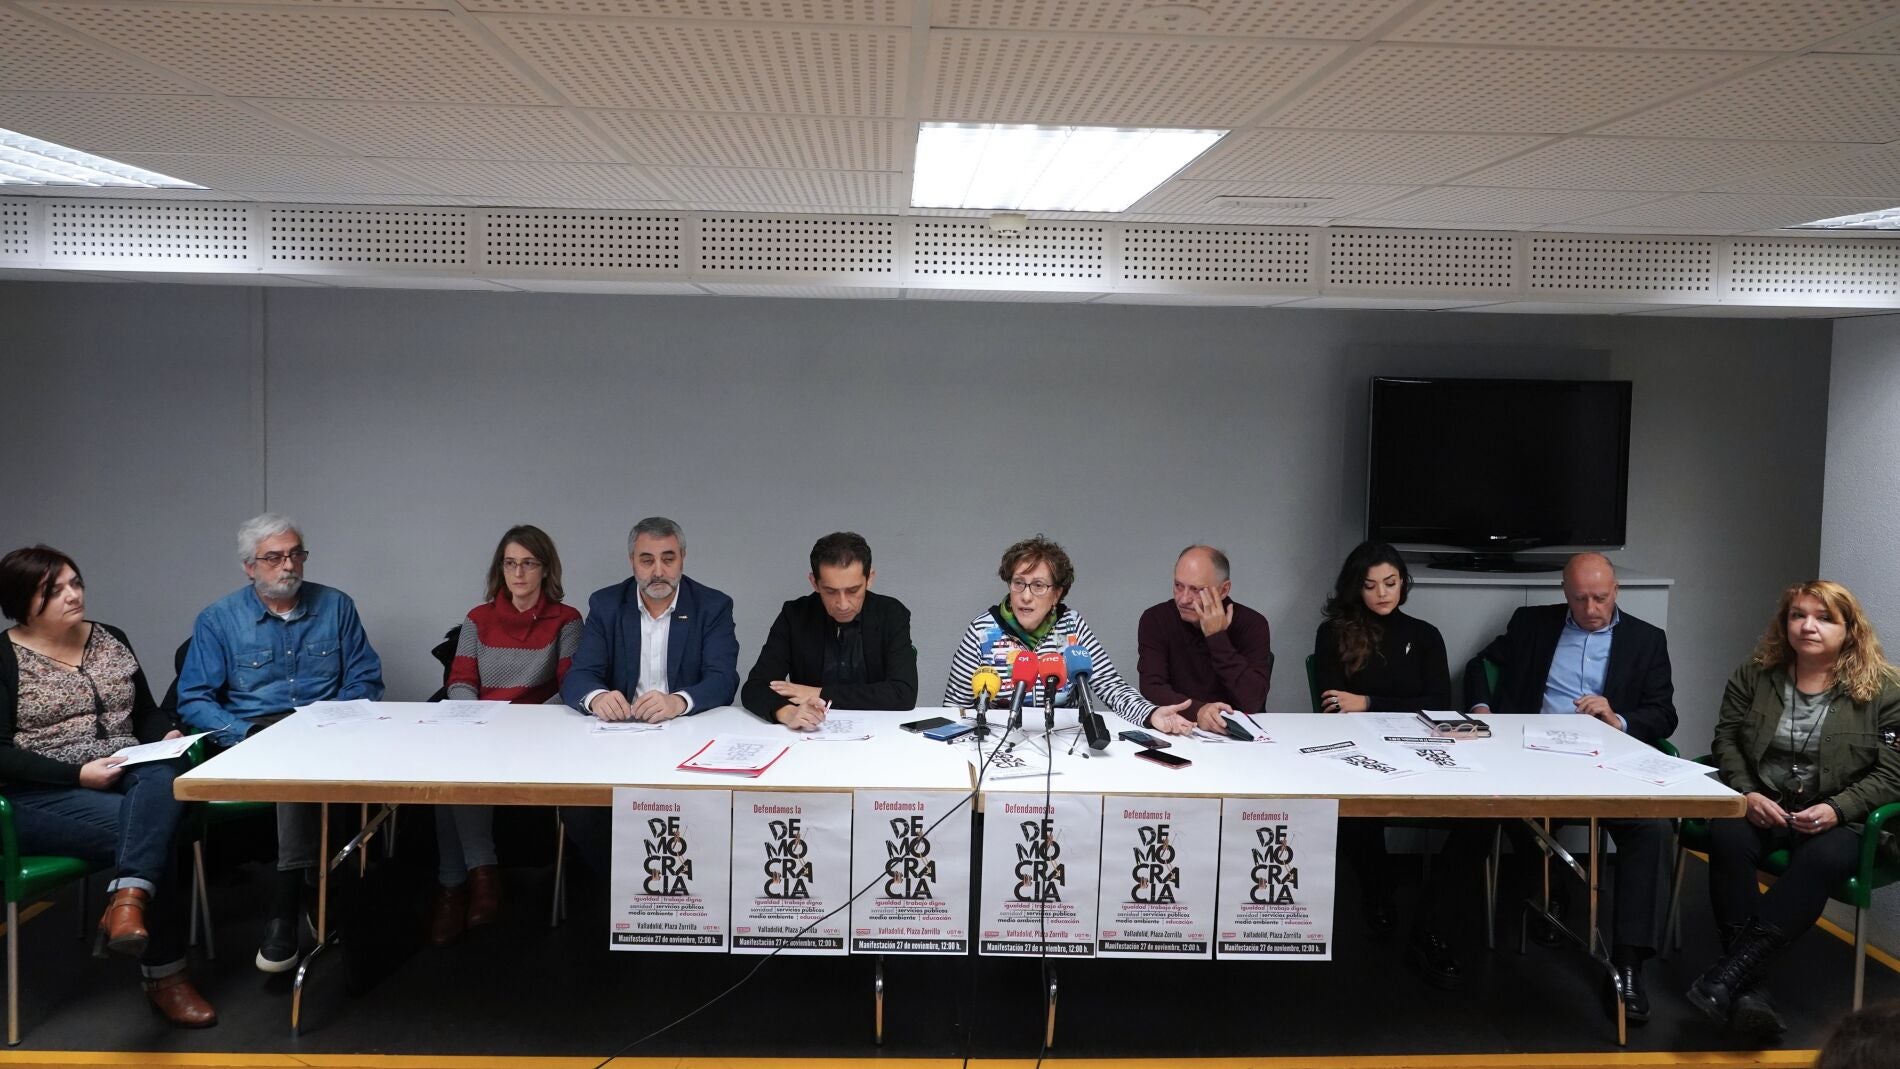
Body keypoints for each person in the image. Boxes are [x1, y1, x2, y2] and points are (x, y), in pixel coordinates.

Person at [0, 546, 214, 1026]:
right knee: (154, 829)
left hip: (128, 769)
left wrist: (164, 734)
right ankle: (165, 975)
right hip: (39, 793)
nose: (73, 595)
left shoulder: (110, 637)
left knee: (163, 777)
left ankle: (127, 901)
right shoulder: (2, 657)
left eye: (75, 583)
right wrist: (77, 774)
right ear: (20, 601)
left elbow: (144, 712)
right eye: (54, 590)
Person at [1465, 551, 1676, 1021]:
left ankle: (1628, 965)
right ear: (1565, 593)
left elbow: (1664, 713)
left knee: (1654, 829)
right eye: (1580, 599)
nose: (1591, 608)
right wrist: (1481, 709)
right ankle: (1553, 889)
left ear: (1616, 591)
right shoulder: (1532, 624)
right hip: (1530, 754)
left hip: (1607, 760)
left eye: (1600, 597)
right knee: (1506, 806)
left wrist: (1619, 718)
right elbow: (1480, 664)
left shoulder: (1646, 640)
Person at [1687, 581, 1900, 1038]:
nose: (1807, 626)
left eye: (1824, 618)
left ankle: (1728, 977)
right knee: (1727, 835)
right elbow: (1726, 739)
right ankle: (1747, 988)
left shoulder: (1886, 688)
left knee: (1821, 858)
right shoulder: (1756, 674)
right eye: (1797, 615)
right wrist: (1748, 793)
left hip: (1843, 818)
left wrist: (1837, 809)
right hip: (1766, 801)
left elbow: (1892, 773)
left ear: (1850, 629)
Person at [176, 513, 384, 974]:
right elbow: (194, 699)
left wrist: (331, 718)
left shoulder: (337, 606)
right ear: (249, 566)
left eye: (295, 554)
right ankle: (310, 890)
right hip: (251, 733)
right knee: (295, 761)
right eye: (274, 558)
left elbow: (366, 679)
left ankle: (285, 905)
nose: (288, 565)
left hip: (325, 729)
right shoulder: (218, 619)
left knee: (302, 759)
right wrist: (246, 734)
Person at [1310, 541, 1479, 987]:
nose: (1382, 593)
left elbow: (1439, 704)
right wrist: (1379, 707)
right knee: (1351, 808)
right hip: (1355, 750)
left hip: (1422, 747)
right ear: (1356, 588)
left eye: (1390, 582)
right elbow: (1333, 704)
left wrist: (1369, 701)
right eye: (1370, 586)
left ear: (1404, 582)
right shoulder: (1334, 633)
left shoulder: (1425, 635)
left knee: (1480, 818)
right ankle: (1378, 893)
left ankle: (1430, 922)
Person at [430, 525, 582, 945]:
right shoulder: (478, 619)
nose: (518, 573)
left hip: (538, 733)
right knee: (451, 769)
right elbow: (460, 680)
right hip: (483, 728)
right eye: (510, 563)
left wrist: (520, 723)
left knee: (458, 770)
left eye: (528, 563)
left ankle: (457, 886)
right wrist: (478, 717)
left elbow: (571, 685)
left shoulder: (566, 620)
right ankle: (474, 880)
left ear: (545, 569)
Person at [560, 517, 738, 873]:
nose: (658, 571)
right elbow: (579, 675)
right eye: (647, 560)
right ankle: (617, 885)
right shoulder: (607, 604)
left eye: (668, 559)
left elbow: (723, 679)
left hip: (686, 740)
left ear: (683, 558)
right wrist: (597, 697)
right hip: (618, 741)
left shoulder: (712, 606)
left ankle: (678, 884)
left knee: (710, 809)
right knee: (579, 811)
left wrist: (678, 701)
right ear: (632, 562)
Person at [944, 536, 1191, 731]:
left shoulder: (1072, 626)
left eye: (1038, 586)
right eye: (1018, 583)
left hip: (1061, 738)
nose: (1026, 596)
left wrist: (1150, 713)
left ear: (1057, 593)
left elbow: (1110, 685)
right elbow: (954, 708)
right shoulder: (982, 630)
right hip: (998, 739)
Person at [740, 532, 917, 728]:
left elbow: (903, 693)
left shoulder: (891, 614)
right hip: (810, 733)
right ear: (814, 583)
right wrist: (788, 713)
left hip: (879, 731)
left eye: (853, 590)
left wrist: (820, 693)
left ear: (869, 579)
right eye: (830, 591)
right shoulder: (795, 615)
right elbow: (754, 687)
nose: (842, 604)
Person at [1136, 544, 1274, 729]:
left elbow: (1252, 701)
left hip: (1238, 731)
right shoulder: (1156, 619)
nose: (1183, 599)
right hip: (1179, 727)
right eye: (1178, 586)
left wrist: (1216, 637)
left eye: (1196, 590)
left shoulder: (1252, 624)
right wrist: (1198, 711)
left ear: (1223, 590)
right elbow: (1152, 687)